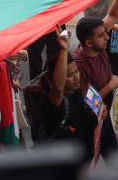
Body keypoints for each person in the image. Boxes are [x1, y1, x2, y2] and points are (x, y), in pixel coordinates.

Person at [72, 0, 118, 161]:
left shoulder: (97, 42)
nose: (107, 38)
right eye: (102, 36)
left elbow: (112, 16)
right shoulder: (79, 64)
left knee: (115, 158)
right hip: (92, 123)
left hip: (107, 115)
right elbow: (88, 101)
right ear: (88, 43)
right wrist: (111, 85)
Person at [42, 26, 98, 161]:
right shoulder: (55, 101)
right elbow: (58, 89)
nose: (77, 77)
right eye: (69, 75)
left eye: (76, 71)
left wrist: (99, 114)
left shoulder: (77, 92)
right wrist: (64, 49)